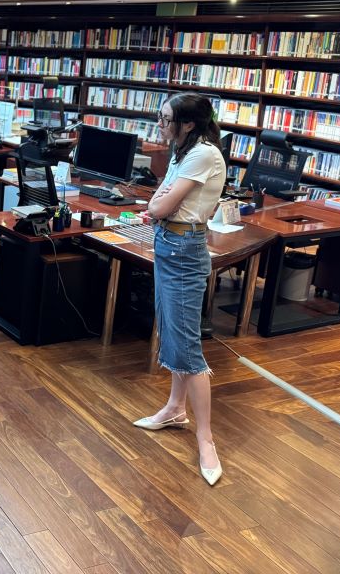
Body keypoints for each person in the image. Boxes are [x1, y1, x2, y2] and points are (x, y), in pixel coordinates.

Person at [133, 93, 226, 486]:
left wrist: (159, 207)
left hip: (185, 251)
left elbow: (160, 204)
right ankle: (174, 408)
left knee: (188, 346)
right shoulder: (181, 150)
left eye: (165, 118)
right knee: (171, 332)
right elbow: (160, 200)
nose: (159, 124)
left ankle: (206, 439)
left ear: (188, 123)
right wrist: (159, 207)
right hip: (168, 244)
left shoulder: (203, 155)